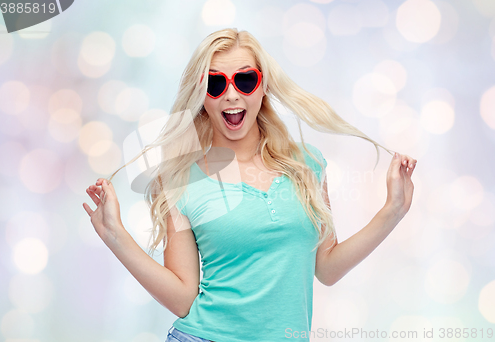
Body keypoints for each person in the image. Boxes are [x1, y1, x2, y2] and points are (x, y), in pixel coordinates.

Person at [82, 28, 416, 342]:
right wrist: (116, 236)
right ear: (201, 95)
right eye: (215, 84)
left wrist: (393, 211)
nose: (230, 95)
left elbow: (326, 268)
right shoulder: (181, 181)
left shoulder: (307, 165)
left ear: (263, 86)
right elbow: (183, 297)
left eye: (244, 80)